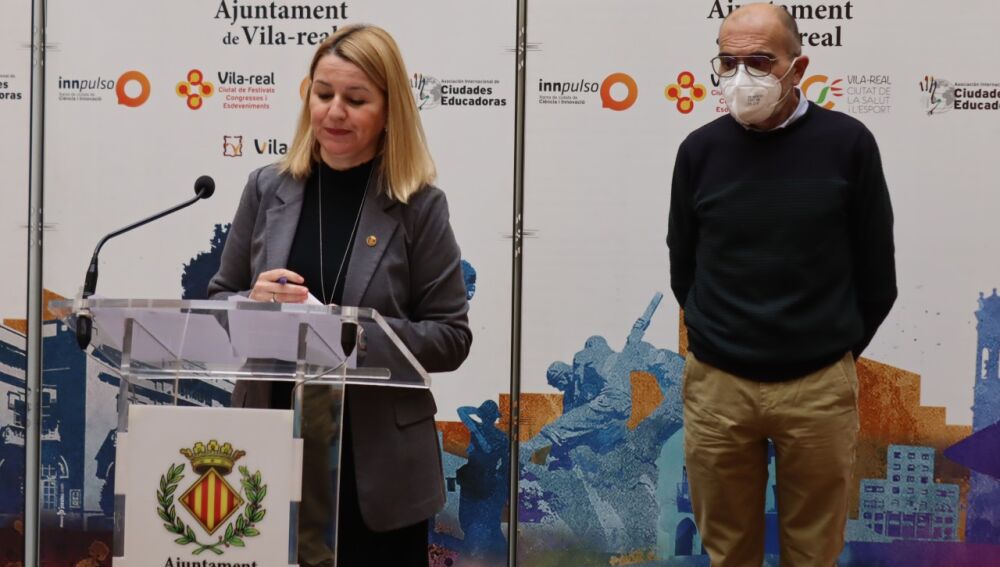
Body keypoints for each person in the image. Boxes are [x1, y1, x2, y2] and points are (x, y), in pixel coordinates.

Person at [207, 24, 472, 567]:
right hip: (267, 453)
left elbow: (451, 337)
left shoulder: (419, 206)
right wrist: (251, 302)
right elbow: (217, 303)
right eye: (323, 94)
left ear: (389, 110)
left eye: (355, 100)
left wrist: (350, 337)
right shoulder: (266, 188)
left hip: (376, 471)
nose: (334, 112)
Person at [666, 4, 896, 566]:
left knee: (814, 553)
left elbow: (876, 275)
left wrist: (829, 349)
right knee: (727, 553)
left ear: (799, 67)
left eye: (761, 61)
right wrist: (716, 337)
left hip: (817, 387)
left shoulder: (849, 144)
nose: (741, 76)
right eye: (728, 62)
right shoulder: (699, 150)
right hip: (719, 386)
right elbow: (685, 265)